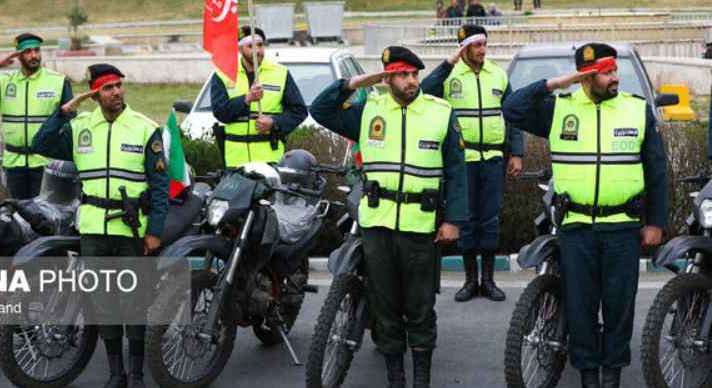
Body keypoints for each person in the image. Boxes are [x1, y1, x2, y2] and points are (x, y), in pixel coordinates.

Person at [502, 43, 668, 388]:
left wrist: (656, 222)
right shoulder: (559, 109)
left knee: (619, 308)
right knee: (581, 309)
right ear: (586, 76)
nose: (615, 77)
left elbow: (656, 170)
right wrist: (555, 83)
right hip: (576, 228)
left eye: (614, 70)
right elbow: (512, 108)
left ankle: (612, 376)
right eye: (606, 72)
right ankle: (588, 376)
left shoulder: (636, 111)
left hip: (622, 228)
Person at [310, 46, 467, 388]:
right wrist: (357, 82)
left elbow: (457, 171)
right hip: (377, 224)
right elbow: (320, 109)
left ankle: (421, 377)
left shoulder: (440, 112)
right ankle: (395, 377)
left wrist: (453, 220)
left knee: (420, 307)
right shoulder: (369, 109)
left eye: (414, 74)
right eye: (402, 74)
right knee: (385, 307)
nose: (411, 81)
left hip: (420, 225)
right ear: (387, 78)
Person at [32, 63, 168, 388]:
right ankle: (115, 373)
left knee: (133, 302)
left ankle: (136, 374)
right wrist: (64, 111)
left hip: (131, 230)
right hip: (93, 230)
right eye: (108, 88)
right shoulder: (80, 127)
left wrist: (155, 231)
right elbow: (41, 143)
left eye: (119, 85)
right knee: (104, 304)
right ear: (94, 94)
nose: (117, 92)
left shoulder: (144, 128)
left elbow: (160, 185)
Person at [421, 25, 523, 303]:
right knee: (465, 219)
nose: (482, 50)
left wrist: (516, 153)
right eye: (477, 45)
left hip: (492, 159)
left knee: (489, 219)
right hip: (462, 161)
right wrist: (447, 64)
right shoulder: (450, 75)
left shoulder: (498, 75)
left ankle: (488, 280)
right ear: (463, 48)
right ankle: (469, 281)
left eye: (484, 45)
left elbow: (513, 114)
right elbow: (423, 91)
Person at [0, 33, 72, 199]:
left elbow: (70, 121)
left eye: (37, 50)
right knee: (20, 215)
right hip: (14, 164)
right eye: (28, 51)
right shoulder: (5, 82)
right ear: (18, 55)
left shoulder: (58, 81)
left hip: (46, 163)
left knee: (43, 216)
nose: (34, 55)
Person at [210, 26, 307, 167]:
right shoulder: (223, 75)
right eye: (250, 46)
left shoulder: (280, 73)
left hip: (270, 159)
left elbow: (299, 111)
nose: (257, 50)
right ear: (240, 49)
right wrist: (246, 100)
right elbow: (220, 113)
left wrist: (274, 122)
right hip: (236, 160)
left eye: (260, 45)